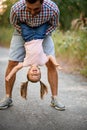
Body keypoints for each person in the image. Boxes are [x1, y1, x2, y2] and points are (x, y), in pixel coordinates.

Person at [0, 0, 65, 111]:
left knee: (51, 65)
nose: (32, 12)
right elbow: (15, 24)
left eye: (36, 9)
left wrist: (40, 37)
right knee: (12, 62)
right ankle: (7, 97)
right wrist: (28, 37)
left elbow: (54, 25)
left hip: (44, 32)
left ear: (42, 3)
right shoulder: (16, 9)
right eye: (29, 9)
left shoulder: (52, 9)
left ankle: (55, 98)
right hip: (22, 32)